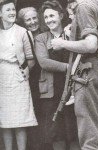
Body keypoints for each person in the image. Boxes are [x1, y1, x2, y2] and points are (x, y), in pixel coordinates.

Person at [51, 0, 98, 149]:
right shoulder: (97, 5)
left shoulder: (83, 7)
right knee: (96, 131)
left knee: (90, 137)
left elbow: (91, 45)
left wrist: (62, 43)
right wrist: (75, 32)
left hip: (85, 75)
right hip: (95, 72)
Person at [34, 1, 79, 150]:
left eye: (52, 15)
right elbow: (44, 63)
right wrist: (70, 67)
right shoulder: (41, 38)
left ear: (60, 16)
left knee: (73, 131)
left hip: (72, 89)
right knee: (56, 132)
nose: (49, 20)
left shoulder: (71, 35)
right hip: (51, 92)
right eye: (46, 17)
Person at [0, 0, 38, 150]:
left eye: (13, 9)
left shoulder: (23, 32)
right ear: (0, 13)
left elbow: (31, 59)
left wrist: (24, 73)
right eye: (7, 10)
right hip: (2, 79)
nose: (11, 12)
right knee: (5, 120)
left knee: (20, 119)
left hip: (18, 77)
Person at [17, 7, 41, 150]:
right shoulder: (20, 37)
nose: (32, 22)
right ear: (23, 23)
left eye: (34, 18)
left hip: (45, 81)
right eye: (28, 20)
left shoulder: (46, 34)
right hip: (28, 81)